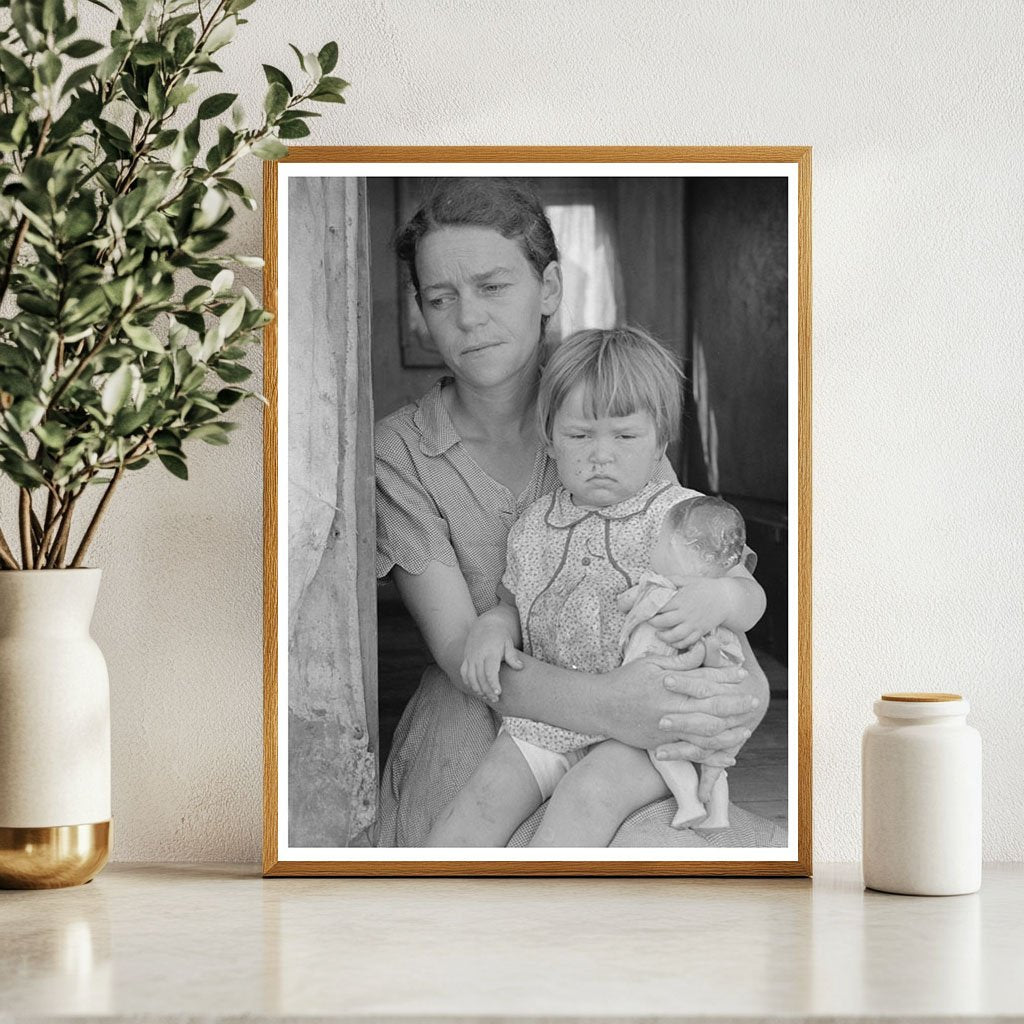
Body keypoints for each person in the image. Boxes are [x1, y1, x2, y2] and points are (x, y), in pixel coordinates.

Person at [375, 177, 775, 848]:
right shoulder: (400, 452)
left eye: (494, 286)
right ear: (421, 311)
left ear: (550, 290)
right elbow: (462, 651)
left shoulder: (611, 418)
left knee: (644, 839)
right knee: (466, 833)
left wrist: (738, 697)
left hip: (635, 697)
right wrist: (618, 706)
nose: (469, 317)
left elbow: (687, 573)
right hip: (491, 704)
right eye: (441, 298)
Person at [425, 328, 766, 848]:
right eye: (580, 436)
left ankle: (546, 918)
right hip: (554, 718)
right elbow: (511, 603)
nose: (600, 455)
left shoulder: (682, 515)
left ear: (660, 442)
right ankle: (432, 908)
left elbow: (750, 596)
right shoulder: (534, 524)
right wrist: (492, 629)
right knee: (482, 797)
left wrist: (720, 597)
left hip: (651, 731)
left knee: (588, 795)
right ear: (550, 438)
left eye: (625, 437)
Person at [621, 495, 750, 830]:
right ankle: (718, 814)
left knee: (662, 749)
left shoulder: (658, 586)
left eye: (662, 541)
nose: (656, 546)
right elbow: (727, 660)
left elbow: (627, 602)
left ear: (680, 549)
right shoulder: (713, 608)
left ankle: (689, 803)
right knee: (711, 760)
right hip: (698, 700)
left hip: (663, 692)